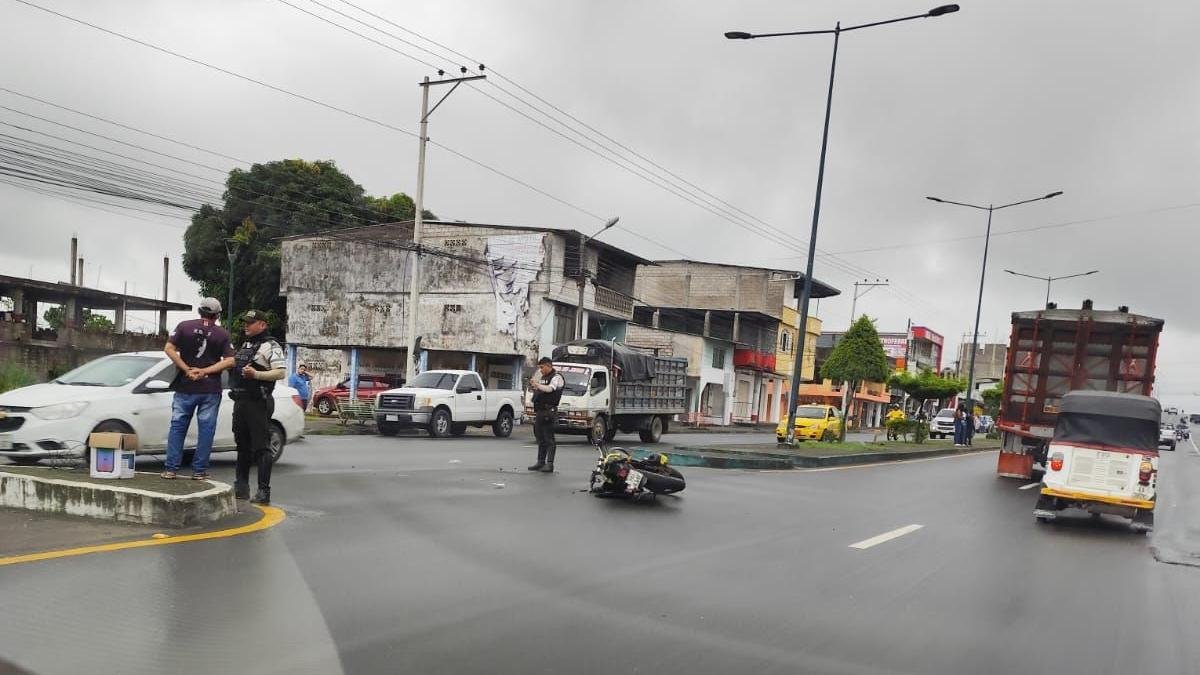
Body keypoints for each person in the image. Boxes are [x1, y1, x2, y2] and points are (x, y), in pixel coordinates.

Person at [162, 297, 234, 480]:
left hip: (185, 386)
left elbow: (169, 348)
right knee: (206, 429)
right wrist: (204, 371)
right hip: (210, 388)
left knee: (177, 427)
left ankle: (171, 469)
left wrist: (186, 369)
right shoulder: (222, 334)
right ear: (217, 315)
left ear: (199, 310)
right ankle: (199, 471)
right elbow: (230, 360)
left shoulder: (183, 326)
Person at [229, 310, 286, 504]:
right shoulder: (245, 345)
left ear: (262, 325)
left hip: (258, 402)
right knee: (242, 445)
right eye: (245, 322)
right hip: (241, 401)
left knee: (261, 447)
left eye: (251, 323)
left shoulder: (271, 345)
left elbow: (280, 373)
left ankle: (263, 491)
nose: (246, 325)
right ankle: (241, 487)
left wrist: (257, 375)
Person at [527, 356, 565, 473]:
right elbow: (536, 386)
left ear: (549, 365)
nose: (541, 370)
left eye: (542, 367)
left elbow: (550, 389)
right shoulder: (542, 375)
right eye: (539, 368)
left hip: (550, 411)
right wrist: (534, 383)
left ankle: (549, 464)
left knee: (549, 438)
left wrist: (538, 385)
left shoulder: (557, 377)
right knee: (540, 437)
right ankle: (540, 462)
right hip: (540, 410)